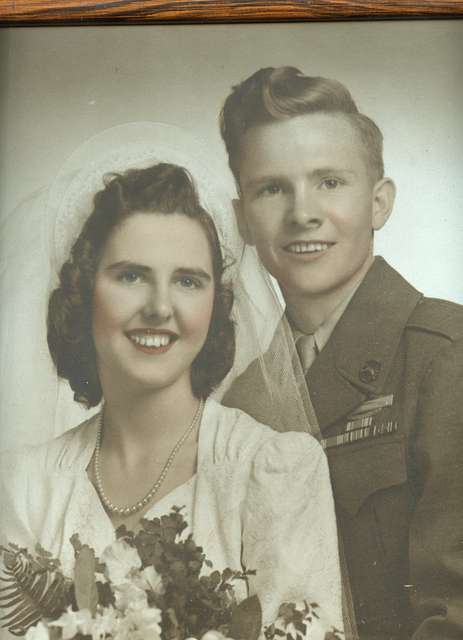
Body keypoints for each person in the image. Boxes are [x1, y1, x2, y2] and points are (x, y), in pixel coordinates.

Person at [0, 131, 343, 639]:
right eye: (131, 276)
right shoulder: (25, 486)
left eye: (187, 281)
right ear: (83, 292)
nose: (161, 307)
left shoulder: (273, 471)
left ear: (214, 304)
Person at [220, 66, 463, 639]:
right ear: (242, 220)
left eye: (330, 182)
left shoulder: (444, 359)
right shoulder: (242, 399)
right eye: (272, 188)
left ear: (380, 203)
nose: (302, 212)